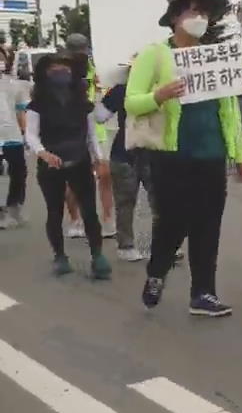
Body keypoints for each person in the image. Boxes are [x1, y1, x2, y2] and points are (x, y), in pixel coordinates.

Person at [127, 0, 242, 317]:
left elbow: (230, 109)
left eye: (204, 12)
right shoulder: (155, 54)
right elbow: (131, 101)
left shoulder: (214, 55)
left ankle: (203, 294)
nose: (199, 18)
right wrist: (159, 95)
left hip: (211, 155)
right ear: (174, 18)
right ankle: (157, 272)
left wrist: (238, 153)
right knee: (172, 223)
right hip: (170, 155)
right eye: (191, 11)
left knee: (208, 225)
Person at [24, 53, 112, 279]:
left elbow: (91, 134)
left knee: (90, 212)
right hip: (51, 165)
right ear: (44, 73)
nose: (60, 71)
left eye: (64, 67)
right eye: (54, 68)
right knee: (55, 212)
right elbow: (31, 135)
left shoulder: (83, 103)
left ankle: (98, 256)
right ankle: (60, 257)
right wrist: (43, 153)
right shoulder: (37, 105)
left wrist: (99, 158)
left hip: (80, 161)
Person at [95, 58, 158, 262]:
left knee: (156, 201)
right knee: (129, 202)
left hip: (147, 152)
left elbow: (100, 115)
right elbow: (99, 117)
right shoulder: (128, 91)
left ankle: (159, 243)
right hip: (130, 153)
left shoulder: (125, 90)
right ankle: (127, 245)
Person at [64, 33, 115, 239]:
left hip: (97, 127)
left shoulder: (94, 68)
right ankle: (75, 220)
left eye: (83, 51)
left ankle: (108, 219)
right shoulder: (62, 71)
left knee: (105, 175)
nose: (80, 56)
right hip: (71, 129)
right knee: (73, 179)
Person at [1, 50, 31, 229]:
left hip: (12, 136)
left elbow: (21, 111)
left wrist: (25, 134)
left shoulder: (15, 85)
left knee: (18, 173)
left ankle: (14, 206)